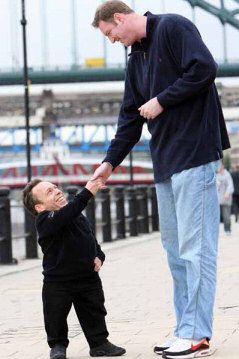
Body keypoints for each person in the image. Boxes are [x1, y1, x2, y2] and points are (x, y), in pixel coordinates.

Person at [91, 2, 230, 358]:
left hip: (195, 152)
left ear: (119, 19)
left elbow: (205, 68)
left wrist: (162, 101)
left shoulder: (172, 27)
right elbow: (129, 117)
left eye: (110, 34)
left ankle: (198, 335)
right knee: (175, 252)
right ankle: (184, 328)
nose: (112, 41)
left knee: (196, 250)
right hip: (165, 161)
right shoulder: (135, 58)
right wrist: (109, 163)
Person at [22, 178, 126, 359]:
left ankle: (99, 343)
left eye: (55, 187)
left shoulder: (76, 215)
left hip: (87, 277)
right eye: (49, 192)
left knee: (95, 310)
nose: (57, 191)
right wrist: (87, 192)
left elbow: (91, 240)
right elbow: (65, 216)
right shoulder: (45, 220)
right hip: (58, 280)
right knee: (56, 314)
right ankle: (58, 345)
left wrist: (99, 257)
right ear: (39, 207)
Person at [217, 162, 234, 235]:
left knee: (226, 215)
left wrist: (227, 192)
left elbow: (230, 185)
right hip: (217, 199)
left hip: (225, 198)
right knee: (216, 216)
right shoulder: (216, 175)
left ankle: (227, 229)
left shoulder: (227, 175)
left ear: (223, 166)